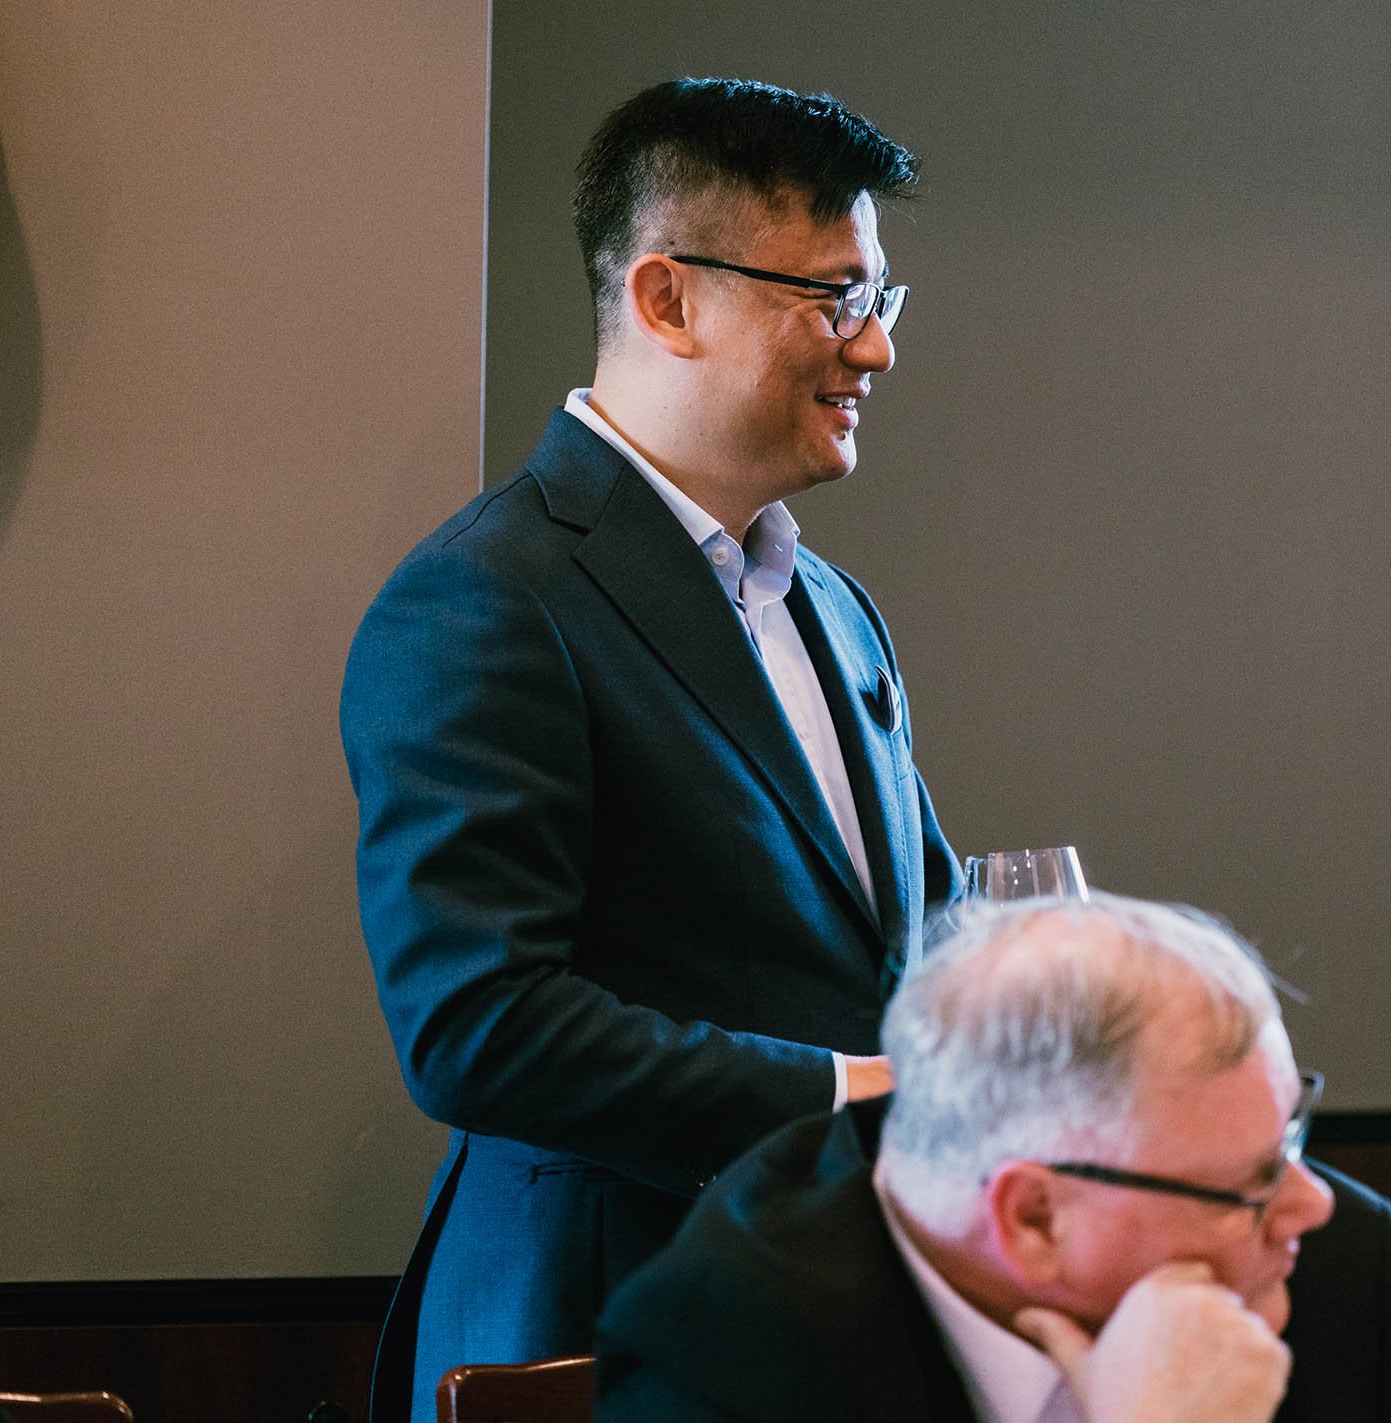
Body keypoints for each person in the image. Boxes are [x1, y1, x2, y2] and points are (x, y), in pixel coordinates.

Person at [338, 77, 959, 1423]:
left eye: (881, 302)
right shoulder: (486, 598)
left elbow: (917, 933)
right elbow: (476, 1024)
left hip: (850, 1318)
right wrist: (851, 1089)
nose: (875, 351)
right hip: (608, 1329)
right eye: (834, 299)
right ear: (669, 299)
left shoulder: (830, 604)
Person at [594, 893, 1391, 1423]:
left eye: (1289, 1137)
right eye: (1252, 1182)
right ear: (1034, 1216)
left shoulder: (1332, 1268)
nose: (1312, 1204)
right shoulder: (732, 1351)